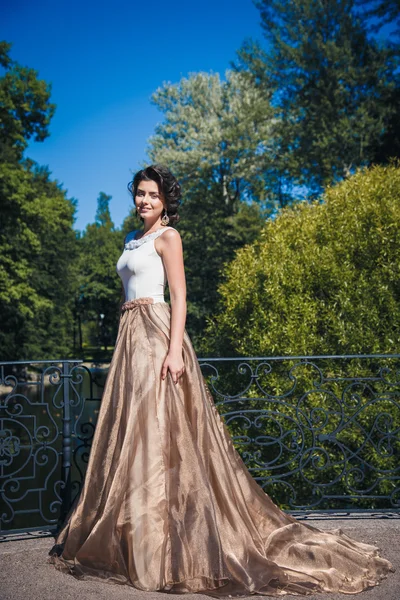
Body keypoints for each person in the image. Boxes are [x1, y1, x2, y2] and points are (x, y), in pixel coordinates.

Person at [48, 164, 394, 596]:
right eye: (139, 193)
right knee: (132, 439)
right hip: (130, 343)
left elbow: (179, 296)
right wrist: (122, 338)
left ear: (165, 200)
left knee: (160, 438)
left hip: (158, 338)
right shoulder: (130, 241)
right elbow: (127, 296)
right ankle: (134, 536)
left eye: (152, 195)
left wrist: (175, 352)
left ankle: (167, 544)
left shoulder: (168, 237)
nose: (144, 201)